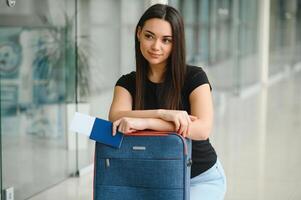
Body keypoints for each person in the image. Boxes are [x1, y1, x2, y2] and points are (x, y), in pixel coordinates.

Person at [108, 3, 226, 200]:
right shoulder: (127, 83)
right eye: (149, 36)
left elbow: (202, 129)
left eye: (166, 40)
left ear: (176, 43)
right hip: (152, 180)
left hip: (199, 178)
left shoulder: (195, 77)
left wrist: (147, 122)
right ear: (138, 34)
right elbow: (116, 116)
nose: (156, 46)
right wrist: (164, 113)